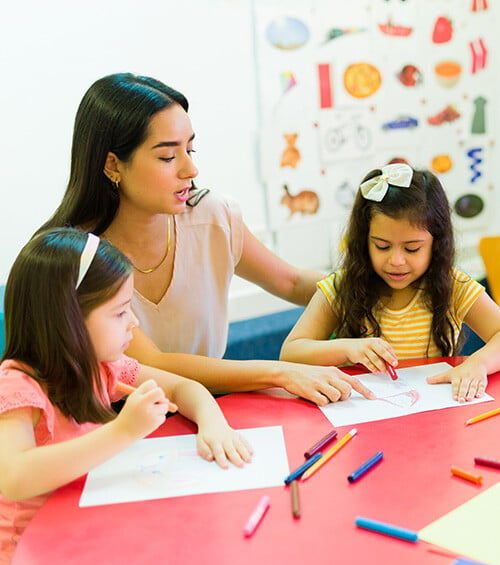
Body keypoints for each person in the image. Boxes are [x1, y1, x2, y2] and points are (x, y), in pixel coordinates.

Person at [37, 72, 373, 406]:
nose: (190, 170)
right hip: (121, 422)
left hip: (214, 408)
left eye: (191, 149)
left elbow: (291, 281)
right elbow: (153, 365)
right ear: (112, 165)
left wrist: (379, 284)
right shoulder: (75, 257)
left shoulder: (212, 216)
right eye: (168, 157)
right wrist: (281, 372)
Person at [0, 228, 254, 565]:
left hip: (87, 524)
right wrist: (124, 430)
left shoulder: (99, 367)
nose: (133, 323)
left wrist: (214, 423)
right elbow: (14, 478)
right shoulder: (16, 386)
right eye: (120, 313)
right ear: (68, 321)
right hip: (33, 561)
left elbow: (183, 387)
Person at [280, 163, 500, 402]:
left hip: (435, 421)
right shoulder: (342, 288)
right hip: (363, 419)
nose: (396, 261)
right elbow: (290, 355)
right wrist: (348, 348)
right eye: (382, 246)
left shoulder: (453, 285)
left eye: (412, 248)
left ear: (436, 244)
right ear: (364, 241)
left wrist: (478, 363)